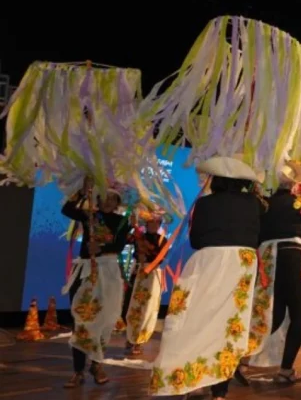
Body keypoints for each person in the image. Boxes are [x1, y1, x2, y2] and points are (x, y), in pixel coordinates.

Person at [150, 156, 262, 399]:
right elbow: (257, 237)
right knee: (229, 328)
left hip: (208, 261)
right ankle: (219, 391)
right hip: (242, 265)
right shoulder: (254, 203)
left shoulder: (204, 204)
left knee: (192, 320)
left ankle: (187, 377)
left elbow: (196, 240)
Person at [246, 160, 301, 383]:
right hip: (290, 256)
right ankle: (285, 370)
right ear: (295, 185)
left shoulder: (265, 204)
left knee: (275, 312)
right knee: (300, 315)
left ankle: (239, 359)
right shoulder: (297, 203)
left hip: (268, 260)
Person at [61, 179, 130, 388]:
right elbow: (67, 209)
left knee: (106, 320)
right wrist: (82, 192)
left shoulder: (121, 221)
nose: (108, 202)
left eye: (112, 198)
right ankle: (78, 371)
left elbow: (119, 245)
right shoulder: (89, 215)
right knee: (82, 319)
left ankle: (97, 364)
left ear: (117, 201)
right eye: (104, 197)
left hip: (108, 273)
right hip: (86, 273)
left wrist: (100, 248)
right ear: (97, 199)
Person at [125, 207, 168, 355]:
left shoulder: (163, 240)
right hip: (137, 273)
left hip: (153, 274)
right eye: (150, 222)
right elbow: (124, 239)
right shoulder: (138, 236)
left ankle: (140, 340)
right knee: (132, 305)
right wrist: (131, 224)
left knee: (148, 308)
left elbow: (162, 257)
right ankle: (130, 337)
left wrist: (150, 263)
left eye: (156, 222)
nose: (153, 225)